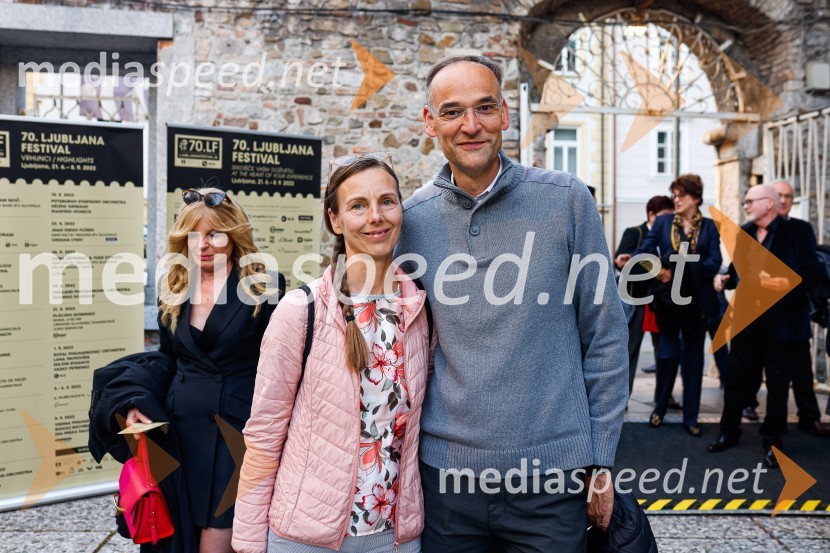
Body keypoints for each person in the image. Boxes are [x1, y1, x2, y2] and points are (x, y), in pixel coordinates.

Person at [395, 55, 628, 551]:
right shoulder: (411, 221)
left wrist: (601, 460)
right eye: (453, 111)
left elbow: (606, 334)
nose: (470, 125)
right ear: (430, 121)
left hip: (553, 480)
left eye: (484, 107)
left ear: (504, 113)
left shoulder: (566, 200)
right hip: (446, 482)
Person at [232, 155, 429, 553]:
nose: (375, 216)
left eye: (387, 201)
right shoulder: (300, 311)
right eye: (358, 205)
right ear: (335, 220)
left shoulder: (419, 310)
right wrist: (248, 541)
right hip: (306, 538)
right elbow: (264, 435)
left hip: (395, 538)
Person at [123, 188, 284, 552]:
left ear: (234, 234)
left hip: (236, 435)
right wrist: (138, 401)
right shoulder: (174, 287)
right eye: (193, 235)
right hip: (179, 435)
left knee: (218, 539)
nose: (203, 244)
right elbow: (167, 359)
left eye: (214, 234)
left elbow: (280, 365)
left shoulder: (264, 287)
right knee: (175, 537)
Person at [708, 184, 826, 466]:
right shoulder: (745, 232)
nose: (746, 205)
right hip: (747, 321)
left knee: (777, 385)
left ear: (769, 204)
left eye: (750, 200)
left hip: (783, 322)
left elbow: (812, 273)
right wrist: (724, 280)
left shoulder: (798, 231)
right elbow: (737, 274)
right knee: (736, 378)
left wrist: (787, 282)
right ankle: (728, 432)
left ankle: (773, 441)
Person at [623, 174, 723, 437]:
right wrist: (658, 270)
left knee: (693, 361)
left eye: (682, 195)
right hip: (667, 301)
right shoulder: (664, 222)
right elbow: (643, 252)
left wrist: (684, 266)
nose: (676, 200)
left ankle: (691, 418)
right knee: (667, 356)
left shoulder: (710, 227)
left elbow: (714, 262)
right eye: (674, 195)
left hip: (697, 303)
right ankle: (660, 408)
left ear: (696, 198)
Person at [615, 195, 674, 396]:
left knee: (664, 351)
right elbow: (624, 265)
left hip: (663, 302)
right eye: (665, 216)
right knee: (630, 350)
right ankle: (622, 396)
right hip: (637, 300)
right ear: (651, 215)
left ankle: (664, 398)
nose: (669, 221)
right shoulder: (635, 233)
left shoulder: (671, 237)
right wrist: (659, 274)